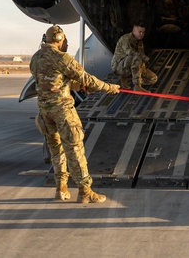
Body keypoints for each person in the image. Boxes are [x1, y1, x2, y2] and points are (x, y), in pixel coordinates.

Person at [30, 25, 119, 203]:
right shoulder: (62, 58)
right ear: (59, 39)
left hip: (45, 111)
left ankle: (61, 188)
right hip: (62, 111)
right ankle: (85, 191)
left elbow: (51, 81)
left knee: (56, 150)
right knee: (74, 149)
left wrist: (73, 84)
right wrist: (109, 88)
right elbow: (86, 78)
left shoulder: (35, 58)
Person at [111, 24, 158, 91]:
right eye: (140, 32)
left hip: (132, 66)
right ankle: (137, 86)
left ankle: (127, 79)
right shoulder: (125, 39)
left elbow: (140, 57)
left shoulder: (140, 42)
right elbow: (130, 52)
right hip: (119, 67)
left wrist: (143, 69)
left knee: (153, 78)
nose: (141, 34)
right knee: (136, 58)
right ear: (133, 31)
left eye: (143, 32)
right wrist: (145, 58)